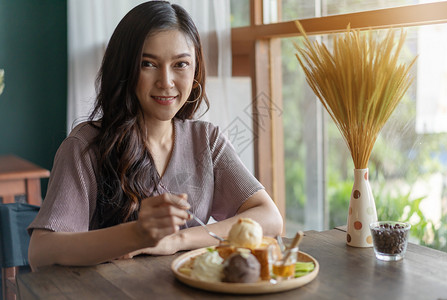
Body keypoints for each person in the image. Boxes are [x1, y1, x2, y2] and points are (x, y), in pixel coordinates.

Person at [28, 0, 283, 270]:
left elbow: (269, 218)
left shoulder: (206, 141)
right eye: (148, 64)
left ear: (196, 68)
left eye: (180, 64)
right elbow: (41, 252)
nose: (166, 81)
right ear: (124, 69)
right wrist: (135, 235)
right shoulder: (85, 146)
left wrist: (178, 239)